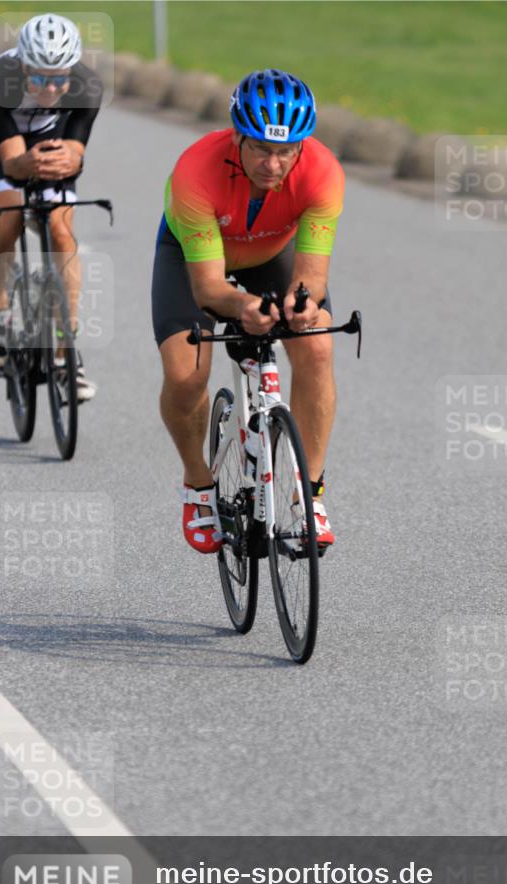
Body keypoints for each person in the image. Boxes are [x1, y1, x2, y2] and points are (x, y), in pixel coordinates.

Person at [152, 68, 345, 554]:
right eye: (261, 148)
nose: (274, 164)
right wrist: (245, 306)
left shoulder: (323, 172)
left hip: (270, 254)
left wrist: (301, 305)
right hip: (194, 258)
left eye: (286, 151)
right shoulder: (196, 171)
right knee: (186, 375)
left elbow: (311, 276)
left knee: (317, 344)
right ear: (237, 134)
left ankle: (308, 496)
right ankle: (198, 484)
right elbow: (210, 288)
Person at [0, 12, 103, 400]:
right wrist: (25, 167)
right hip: (0, 143)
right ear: (23, 66)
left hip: (50, 139)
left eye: (58, 77)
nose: (49, 87)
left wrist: (69, 162)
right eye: (39, 77)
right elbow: (12, 162)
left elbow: (76, 152)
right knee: (7, 220)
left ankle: (66, 352)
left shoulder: (86, 86)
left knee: (61, 233)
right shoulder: (0, 80)